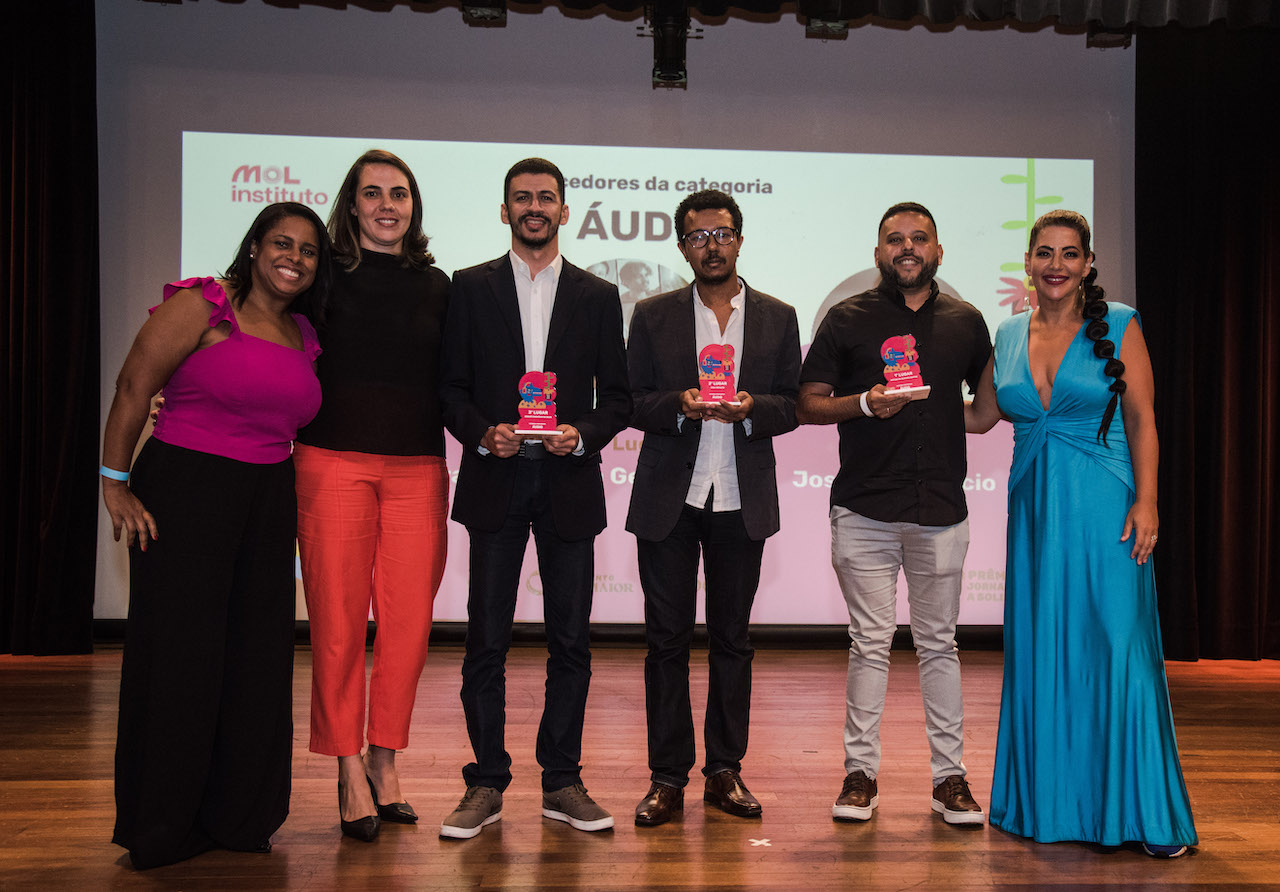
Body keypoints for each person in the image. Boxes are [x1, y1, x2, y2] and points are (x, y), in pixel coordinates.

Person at [102, 202, 330, 869]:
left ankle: (238, 816)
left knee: (254, 660)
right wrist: (114, 482)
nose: (294, 257)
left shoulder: (304, 333)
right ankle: (163, 825)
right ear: (255, 247)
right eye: (282, 243)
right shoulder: (203, 304)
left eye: (309, 250)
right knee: (180, 659)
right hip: (185, 491)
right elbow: (131, 387)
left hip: (266, 501)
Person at [965, 209, 1197, 857]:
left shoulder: (1120, 324)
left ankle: (1145, 816)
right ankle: (1050, 806)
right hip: (1036, 515)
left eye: (1070, 254)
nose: (1057, 265)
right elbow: (981, 416)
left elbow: (1143, 418)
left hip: (1107, 509)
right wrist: (903, 399)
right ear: (1029, 263)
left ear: (1088, 263)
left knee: (1118, 649)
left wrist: (1148, 501)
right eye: (1045, 253)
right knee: (1047, 652)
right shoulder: (1008, 333)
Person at [438, 158, 631, 838]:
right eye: (522, 198)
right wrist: (479, 432)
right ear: (504, 210)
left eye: (546, 197)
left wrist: (583, 435)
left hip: (568, 480)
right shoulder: (468, 287)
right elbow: (450, 388)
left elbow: (623, 399)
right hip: (495, 477)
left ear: (564, 210)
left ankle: (562, 781)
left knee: (570, 642)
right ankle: (486, 782)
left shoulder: (599, 295)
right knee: (485, 640)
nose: (534, 207)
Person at [796, 202, 990, 826]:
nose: (907, 247)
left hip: (941, 509)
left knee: (939, 645)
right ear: (878, 251)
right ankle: (860, 776)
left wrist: (935, 422)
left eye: (919, 238)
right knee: (869, 645)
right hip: (864, 509)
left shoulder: (967, 321)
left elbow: (983, 413)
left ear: (938, 249)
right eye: (894, 239)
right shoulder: (846, 319)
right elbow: (808, 403)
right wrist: (866, 403)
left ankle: (950, 779)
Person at [625, 190, 800, 827]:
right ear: (682, 247)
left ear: (740, 238)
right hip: (670, 500)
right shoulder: (651, 314)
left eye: (722, 233)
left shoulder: (779, 318)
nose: (712, 245)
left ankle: (724, 771)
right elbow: (633, 401)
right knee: (665, 644)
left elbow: (792, 405)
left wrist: (754, 408)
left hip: (740, 500)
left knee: (733, 641)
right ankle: (667, 778)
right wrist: (680, 403)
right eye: (698, 237)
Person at [293, 150, 451, 842]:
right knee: (336, 625)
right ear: (351, 206)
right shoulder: (317, 278)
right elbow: (262, 337)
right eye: (373, 193)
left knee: (409, 627)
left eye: (400, 193)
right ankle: (348, 766)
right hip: (329, 463)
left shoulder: (439, 285)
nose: (388, 204)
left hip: (417, 467)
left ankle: (386, 758)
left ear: (414, 206)